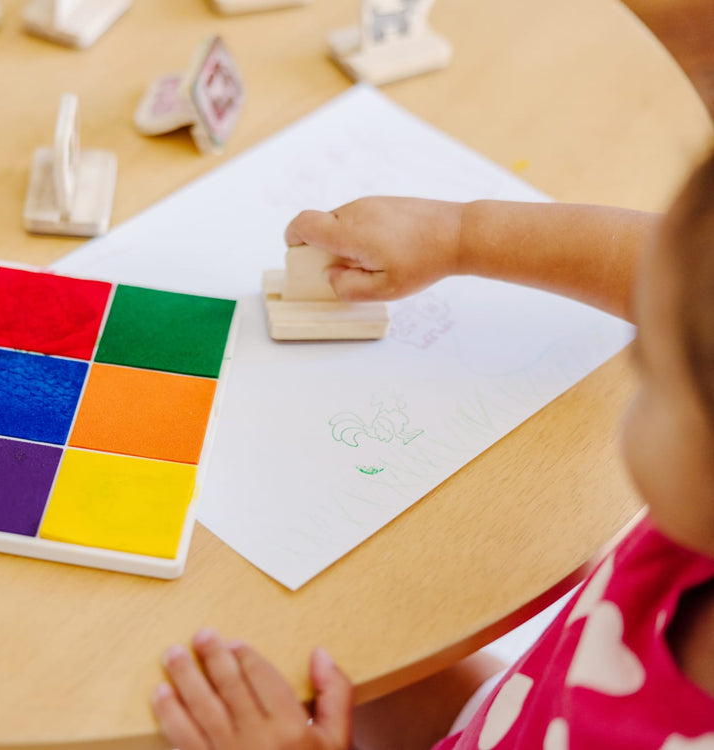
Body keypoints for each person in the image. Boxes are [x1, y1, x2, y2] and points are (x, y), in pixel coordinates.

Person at [150, 147, 714, 750]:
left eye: (647, 373)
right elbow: (662, 270)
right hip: (515, 718)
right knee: (299, 626)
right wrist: (460, 234)